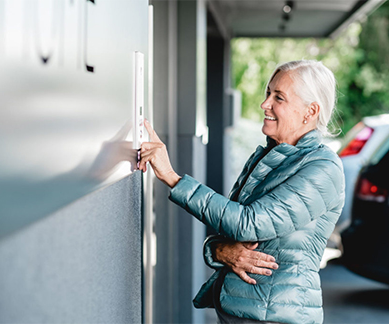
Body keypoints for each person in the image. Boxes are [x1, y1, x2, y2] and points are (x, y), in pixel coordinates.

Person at [138, 60, 345, 324]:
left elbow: (248, 223)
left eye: (278, 97)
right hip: (243, 311)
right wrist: (217, 250)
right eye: (268, 93)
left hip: (275, 317)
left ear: (310, 111)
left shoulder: (322, 168)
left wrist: (172, 177)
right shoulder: (270, 156)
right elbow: (231, 229)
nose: (265, 104)